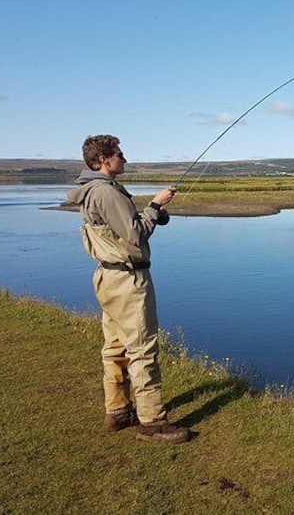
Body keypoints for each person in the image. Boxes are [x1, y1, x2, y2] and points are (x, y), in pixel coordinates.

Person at [66, 134, 190, 444]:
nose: (124, 158)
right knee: (143, 350)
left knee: (115, 347)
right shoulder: (106, 193)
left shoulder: (93, 190)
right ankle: (152, 423)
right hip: (127, 281)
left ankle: (118, 411)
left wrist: (152, 215)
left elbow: (122, 228)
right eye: (119, 154)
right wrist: (154, 205)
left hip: (108, 278)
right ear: (103, 160)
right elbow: (135, 234)